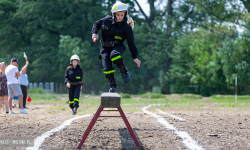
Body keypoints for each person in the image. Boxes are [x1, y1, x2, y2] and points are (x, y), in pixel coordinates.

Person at [91, 1, 141, 92]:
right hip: (105, 48)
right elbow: (97, 24)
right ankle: (113, 85)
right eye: (118, 15)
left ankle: (124, 71)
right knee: (107, 69)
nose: (120, 17)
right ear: (113, 14)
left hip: (118, 47)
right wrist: (94, 33)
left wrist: (135, 57)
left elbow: (131, 43)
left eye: (122, 15)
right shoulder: (106, 20)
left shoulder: (127, 28)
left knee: (114, 56)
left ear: (125, 14)